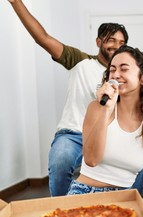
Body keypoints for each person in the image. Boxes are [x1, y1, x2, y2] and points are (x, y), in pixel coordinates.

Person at [7, 0, 129, 196]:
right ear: (99, 42)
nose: (116, 46)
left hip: (106, 136)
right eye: (111, 40)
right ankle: (62, 210)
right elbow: (43, 38)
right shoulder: (80, 61)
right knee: (60, 161)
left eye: (122, 43)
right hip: (72, 134)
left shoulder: (125, 74)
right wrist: (16, 2)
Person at [67, 45, 143, 202]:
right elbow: (91, 159)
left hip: (124, 199)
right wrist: (106, 110)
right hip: (85, 193)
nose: (116, 75)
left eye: (124, 69)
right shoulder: (97, 108)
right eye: (112, 69)